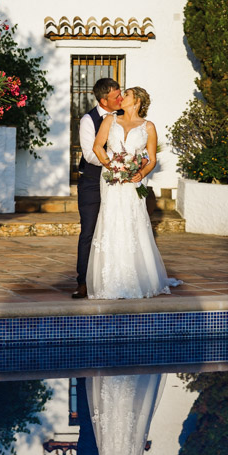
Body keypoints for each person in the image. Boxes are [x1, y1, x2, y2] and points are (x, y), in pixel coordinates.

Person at [86, 87, 182, 300]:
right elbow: (97, 147)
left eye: (126, 95)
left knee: (132, 222)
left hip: (134, 182)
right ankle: (109, 280)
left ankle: (136, 278)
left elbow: (152, 159)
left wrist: (141, 173)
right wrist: (112, 165)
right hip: (111, 179)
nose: (121, 98)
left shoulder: (148, 127)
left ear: (137, 101)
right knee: (111, 221)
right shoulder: (110, 120)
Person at [73, 78, 124, 299]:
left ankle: (113, 278)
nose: (121, 99)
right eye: (116, 97)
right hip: (93, 183)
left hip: (118, 183)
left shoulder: (124, 117)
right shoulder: (88, 120)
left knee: (115, 231)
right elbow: (90, 154)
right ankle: (83, 281)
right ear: (104, 100)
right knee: (89, 232)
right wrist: (116, 162)